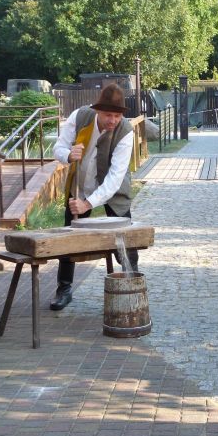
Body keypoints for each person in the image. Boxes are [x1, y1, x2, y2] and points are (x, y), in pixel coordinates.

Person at [50, 83, 138, 310]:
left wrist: (87, 204)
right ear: (98, 111)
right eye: (108, 115)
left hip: (112, 191)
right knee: (69, 240)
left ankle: (131, 284)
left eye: (117, 115)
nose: (112, 120)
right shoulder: (80, 117)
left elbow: (115, 178)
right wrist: (69, 154)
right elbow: (57, 148)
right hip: (80, 185)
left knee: (125, 239)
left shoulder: (125, 132)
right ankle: (64, 288)